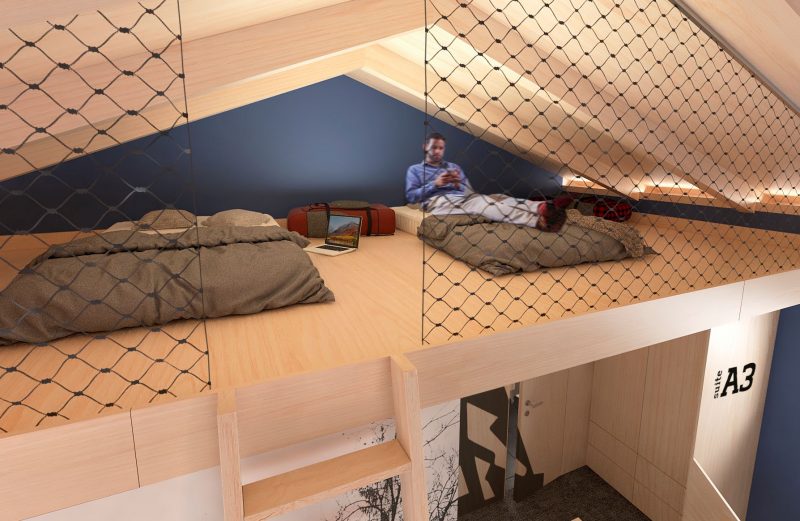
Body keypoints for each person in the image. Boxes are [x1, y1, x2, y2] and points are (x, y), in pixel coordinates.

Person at [405, 133, 568, 232]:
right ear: (425, 147)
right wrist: (436, 184)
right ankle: (537, 222)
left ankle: (542, 208)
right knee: (485, 204)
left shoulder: (454, 167)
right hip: (438, 202)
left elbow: (470, 192)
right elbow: (412, 197)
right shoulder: (415, 170)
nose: (438, 151)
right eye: (434, 147)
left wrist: (459, 184)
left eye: (441, 148)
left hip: (464, 198)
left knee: (500, 198)